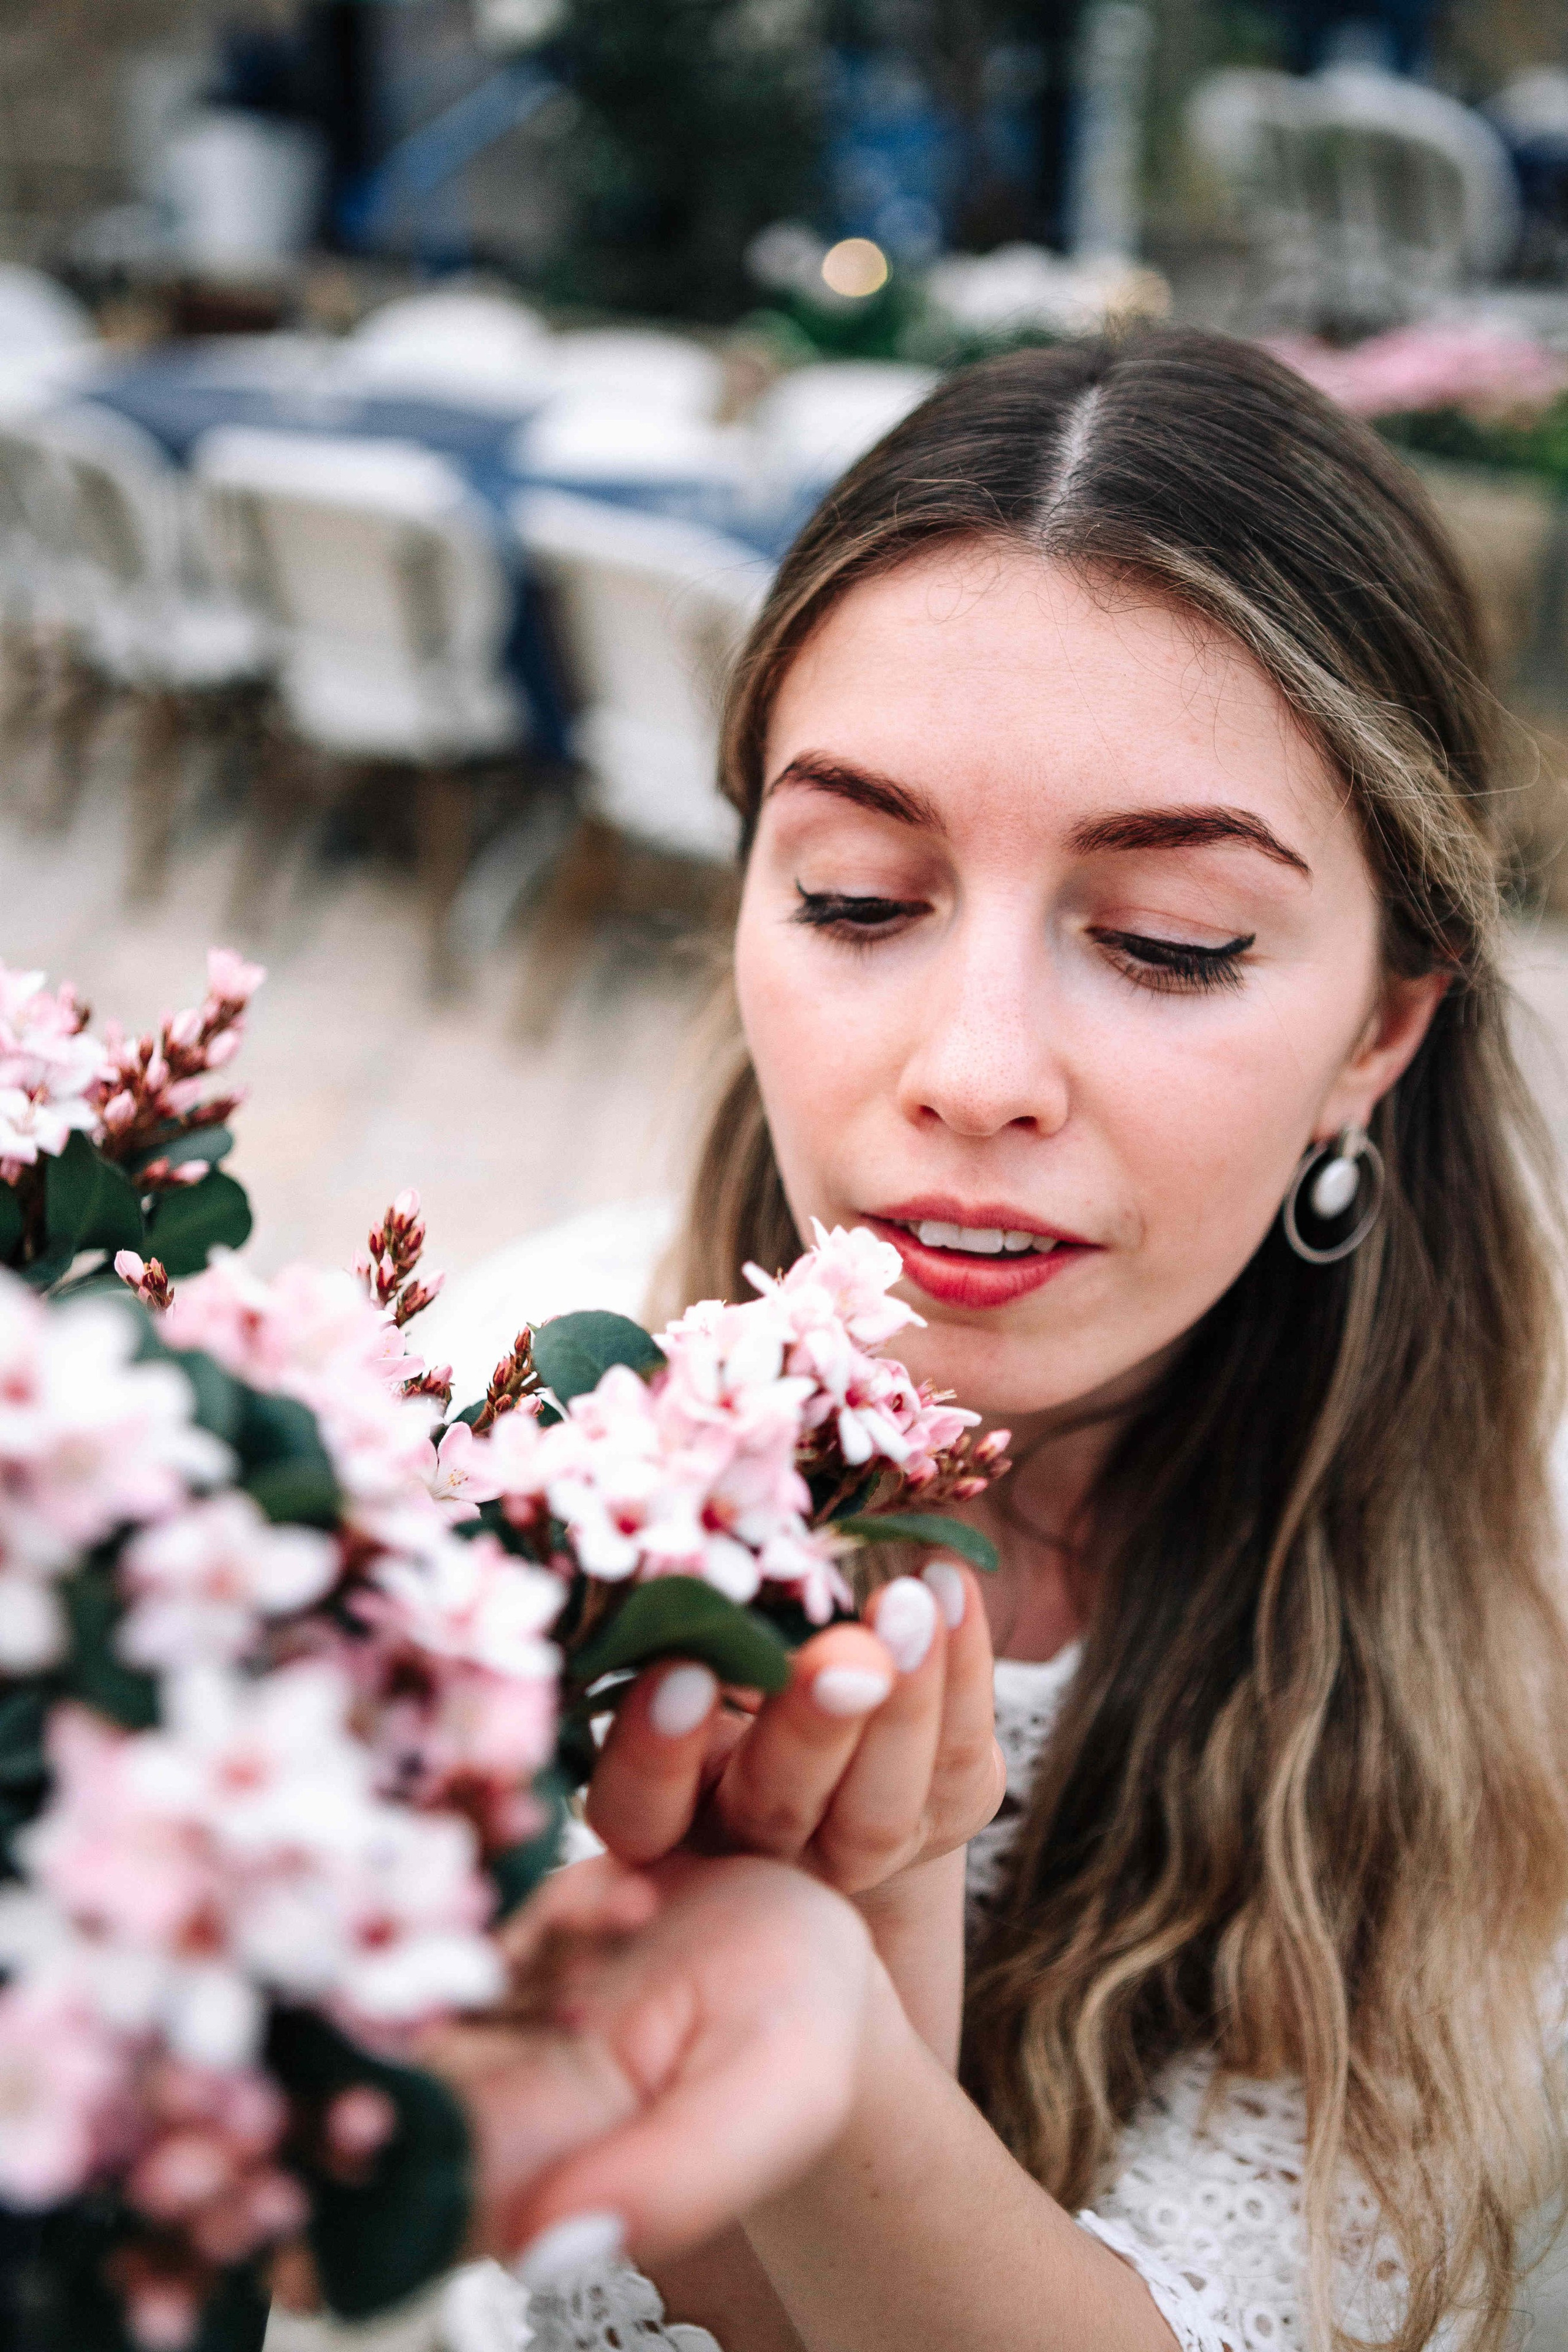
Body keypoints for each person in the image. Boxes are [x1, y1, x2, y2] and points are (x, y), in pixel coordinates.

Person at [439, 328, 1568, 2352]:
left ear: (1379, 1029)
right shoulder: (506, 1411)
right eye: (863, 899)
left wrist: (813, 2036)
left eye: (1168, 941)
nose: (973, 1074)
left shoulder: (1523, 1654)